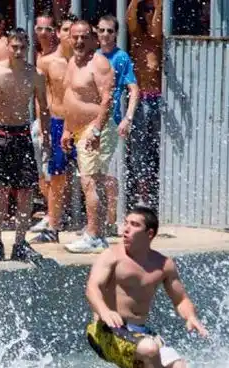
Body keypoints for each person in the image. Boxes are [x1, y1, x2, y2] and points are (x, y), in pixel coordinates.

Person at [84, 206, 208, 368]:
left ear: (149, 233)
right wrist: (105, 311)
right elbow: (92, 288)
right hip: (106, 331)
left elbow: (181, 299)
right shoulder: (111, 256)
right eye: (126, 223)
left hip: (140, 333)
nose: (126, 229)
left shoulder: (163, 265)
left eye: (134, 225)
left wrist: (191, 317)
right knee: (150, 349)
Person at [0, 28, 50, 262]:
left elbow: (44, 108)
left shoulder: (36, 75)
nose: (18, 51)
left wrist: (46, 138)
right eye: (14, 47)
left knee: (26, 191)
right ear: (8, 47)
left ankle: (20, 242)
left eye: (22, 47)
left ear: (28, 47)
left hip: (22, 134)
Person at [60, 20, 114, 254]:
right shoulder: (72, 62)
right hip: (79, 129)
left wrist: (97, 130)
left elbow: (107, 100)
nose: (80, 41)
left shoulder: (99, 63)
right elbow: (71, 97)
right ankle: (97, 234)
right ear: (69, 39)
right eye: (76, 37)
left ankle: (94, 235)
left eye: (84, 37)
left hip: (96, 129)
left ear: (93, 39)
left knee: (90, 182)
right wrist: (67, 129)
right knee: (92, 182)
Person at [30, 14, 75, 243]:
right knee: (54, 175)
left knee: (89, 176)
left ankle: (95, 227)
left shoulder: (86, 62)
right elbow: (42, 97)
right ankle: (53, 223)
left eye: (73, 31)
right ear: (58, 32)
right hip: (56, 122)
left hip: (80, 124)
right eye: (66, 30)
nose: (70, 35)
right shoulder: (46, 62)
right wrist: (42, 124)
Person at [96, 15, 140, 237]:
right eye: (102, 30)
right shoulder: (93, 56)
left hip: (111, 122)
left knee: (107, 175)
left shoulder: (121, 57)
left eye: (110, 31)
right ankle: (97, 221)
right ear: (96, 32)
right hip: (91, 122)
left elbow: (134, 89)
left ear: (116, 33)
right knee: (93, 174)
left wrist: (128, 118)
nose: (105, 35)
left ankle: (110, 221)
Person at [127, 0, 163, 211]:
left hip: (158, 99)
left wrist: (158, 7)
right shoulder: (137, 38)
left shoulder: (158, 41)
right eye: (146, 10)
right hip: (140, 99)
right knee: (140, 149)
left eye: (152, 10)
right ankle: (143, 195)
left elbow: (157, 28)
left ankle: (158, 193)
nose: (150, 13)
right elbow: (129, 17)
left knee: (158, 147)